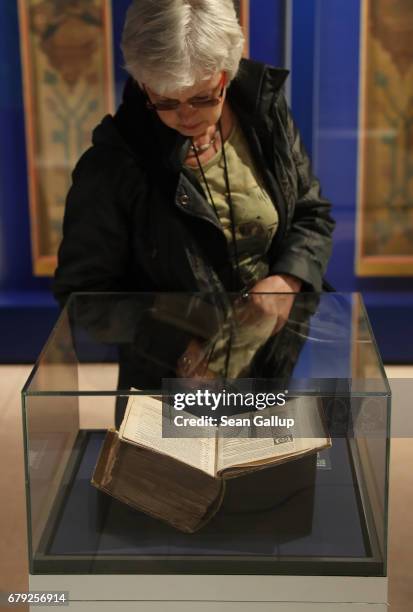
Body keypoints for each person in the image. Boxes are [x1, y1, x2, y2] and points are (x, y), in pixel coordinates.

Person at [52, 0, 335, 378]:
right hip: (171, 380)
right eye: (166, 101)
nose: (186, 116)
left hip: (274, 361)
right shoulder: (113, 166)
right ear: (142, 83)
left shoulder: (264, 113)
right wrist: (174, 342)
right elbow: (82, 297)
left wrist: (286, 280)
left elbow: (310, 214)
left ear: (227, 73)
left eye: (203, 97)